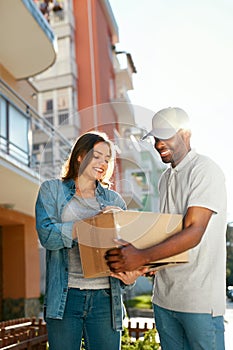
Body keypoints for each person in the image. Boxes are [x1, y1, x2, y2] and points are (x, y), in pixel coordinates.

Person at [105, 107, 227, 350]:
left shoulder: (205, 170)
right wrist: (145, 266)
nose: (159, 144)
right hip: (164, 299)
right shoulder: (165, 178)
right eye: (156, 138)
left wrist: (140, 256)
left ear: (186, 134)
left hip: (198, 301)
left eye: (166, 137)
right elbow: (169, 233)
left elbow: (193, 231)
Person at [35, 131, 143, 350]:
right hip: (66, 298)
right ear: (80, 155)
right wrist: (91, 225)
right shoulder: (51, 190)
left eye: (107, 159)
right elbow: (48, 236)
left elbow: (124, 251)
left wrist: (130, 277)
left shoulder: (114, 200)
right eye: (97, 156)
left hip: (105, 298)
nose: (103, 163)